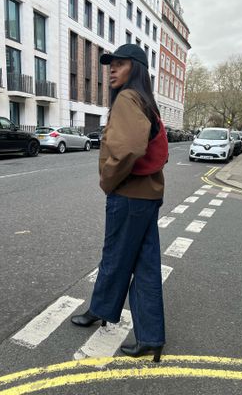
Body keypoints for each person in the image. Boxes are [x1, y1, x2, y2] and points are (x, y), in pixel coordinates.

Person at [71, 44, 169, 363]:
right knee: (146, 265)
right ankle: (151, 338)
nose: (112, 69)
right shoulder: (146, 101)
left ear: (136, 68)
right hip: (148, 196)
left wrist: (108, 180)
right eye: (110, 64)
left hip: (129, 196)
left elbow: (128, 149)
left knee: (114, 257)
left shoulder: (127, 98)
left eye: (120, 64)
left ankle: (100, 311)